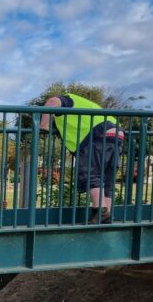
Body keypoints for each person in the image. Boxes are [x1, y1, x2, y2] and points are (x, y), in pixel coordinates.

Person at [40, 93, 124, 224]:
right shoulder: (86, 104)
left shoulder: (66, 99)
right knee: (108, 178)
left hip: (97, 135)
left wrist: (43, 126)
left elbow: (52, 101)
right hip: (116, 134)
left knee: (91, 174)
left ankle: (100, 212)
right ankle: (107, 216)